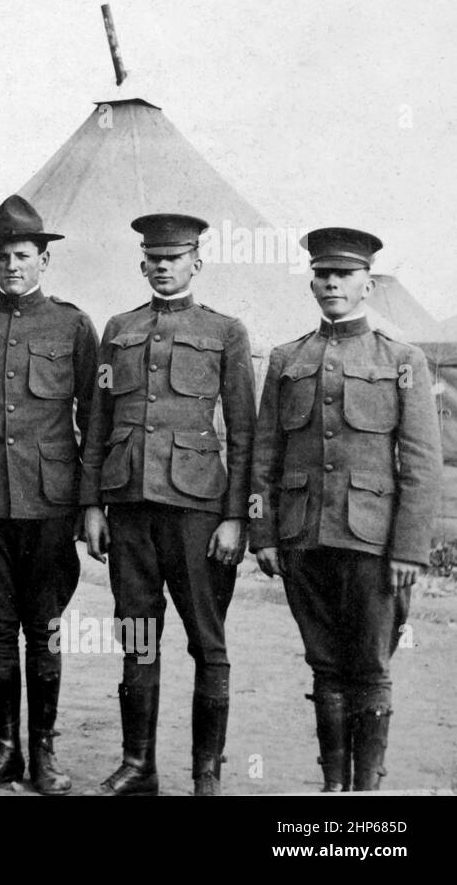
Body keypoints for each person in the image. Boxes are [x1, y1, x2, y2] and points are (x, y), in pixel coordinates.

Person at [250, 227, 441, 791]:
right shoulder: (288, 357)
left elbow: (423, 465)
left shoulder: (402, 359)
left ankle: (365, 793)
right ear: (312, 282)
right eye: (322, 274)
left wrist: (409, 549)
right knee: (323, 665)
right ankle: (334, 787)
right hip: (303, 537)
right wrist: (264, 533)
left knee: (371, 668)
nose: (331, 283)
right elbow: (266, 452)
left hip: (372, 543)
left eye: (344, 275)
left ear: (368, 284)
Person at [80, 213, 255, 796]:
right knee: (137, 633)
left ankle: (206, 774)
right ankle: (139, 766)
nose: (162, 266)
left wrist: (235, 517)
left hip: (198, 510)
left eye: (174, 258)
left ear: (196, 263)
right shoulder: (118, 328)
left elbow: (245, 431)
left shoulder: (225, 331)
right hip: (128, 505)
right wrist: (93, 506)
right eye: (153, 257)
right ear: (142, 263)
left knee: (208, 640)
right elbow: (99, 422)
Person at [0, 196, 98, 793]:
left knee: (45, 627)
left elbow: (94, 417)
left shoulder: (75, 326)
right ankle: (4, 750)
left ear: (43, 260)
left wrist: (88, 503)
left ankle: (45, 753)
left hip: (50, 502)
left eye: (22, 256)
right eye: (1, 257)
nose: (11, 266)